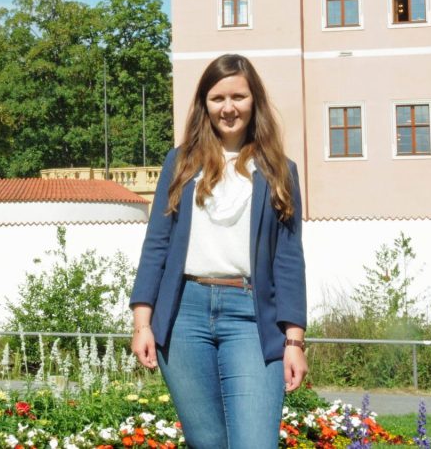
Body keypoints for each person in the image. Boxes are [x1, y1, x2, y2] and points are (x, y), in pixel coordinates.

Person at [129, 53, 307, 448]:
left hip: (251, 317)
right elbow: (156, 245)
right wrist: (143, 323)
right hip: (184, 316)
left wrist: (294, 342)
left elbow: (289, 260)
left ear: (254, 101)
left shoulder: (280, 170)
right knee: (207, 441)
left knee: (255, 443)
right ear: (204, 105)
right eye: (217, 98)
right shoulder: (179, 164)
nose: (228, 108)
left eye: (238, 97)